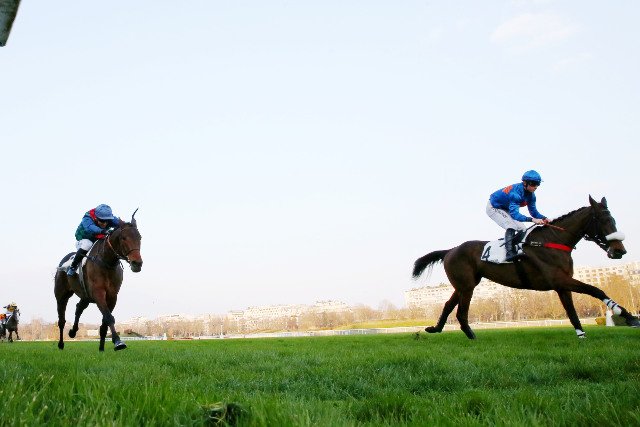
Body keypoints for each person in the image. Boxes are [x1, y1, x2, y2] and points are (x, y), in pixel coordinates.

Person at [487, 170, 549, 261]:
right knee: (511, 226)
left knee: (523, 229)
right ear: (525, 183)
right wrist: (532, 220)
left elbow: (533, 212)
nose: (536, 187)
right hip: (494, 207)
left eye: (538, 184)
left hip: (506, 208)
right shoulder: (515, 193)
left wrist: (544, 218)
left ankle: (512, 245)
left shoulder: (531, 196)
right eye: (533, 184)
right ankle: (509, 253)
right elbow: (515, 215)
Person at [66, 204, 122, 276]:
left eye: (107, 221)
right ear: (96, 217)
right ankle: (73, 266)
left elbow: (120, 223)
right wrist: (102, 231)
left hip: (98, 238)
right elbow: (90, 227)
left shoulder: (108, 217)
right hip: (84, 239)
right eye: (102, 221)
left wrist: (128, 225)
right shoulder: (87, 218)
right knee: (87, 244)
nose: (105, 223)